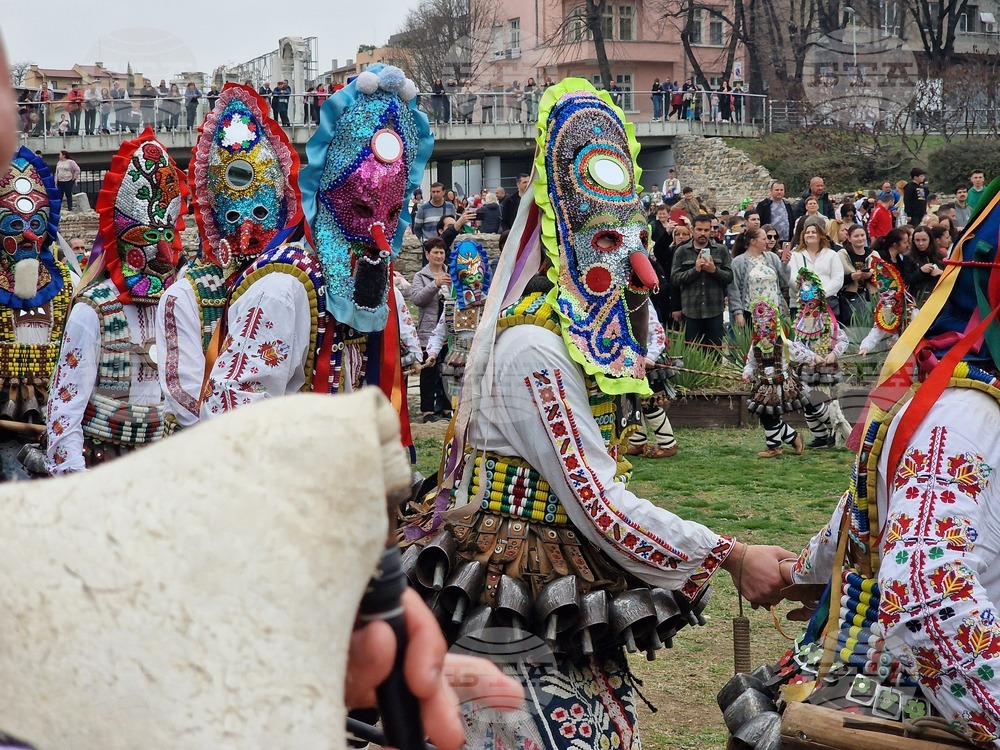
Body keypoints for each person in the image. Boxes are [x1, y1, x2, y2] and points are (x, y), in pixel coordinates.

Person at [403, 78, 794, 750]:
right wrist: (730, 556)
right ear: (566, 242)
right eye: (609, 238)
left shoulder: (557, 338)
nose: (637, 266)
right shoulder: (534, 349)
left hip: (552, 577)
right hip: (518, 595)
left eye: (635, 238)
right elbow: (598, 502)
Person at [200, 65, 434, 441]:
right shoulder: (283, 289)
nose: (379, 238)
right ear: (325, 193)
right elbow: (229, 410)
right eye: (361, 209)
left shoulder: (378, 288)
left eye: (392, 214)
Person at [155, 83, 302, 430]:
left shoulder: (296, 285)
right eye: (234, 217)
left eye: (261, 214)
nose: (247, 233)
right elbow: (185, 395)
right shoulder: (186, 297)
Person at [46, 128, 187, 473]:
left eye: (167, 235)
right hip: (103, 464)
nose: (163, 251)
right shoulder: (92, 310)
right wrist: (75, 480)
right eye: (149, 236)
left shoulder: (177, 305)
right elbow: (65, 408)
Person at [0, 148, 74, 478]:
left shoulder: (66, 284)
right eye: (15, 224)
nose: (28, 235)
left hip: (52, 417)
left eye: (36, 224)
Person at [423, 238, 491, 401]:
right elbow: (438, 334)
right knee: (459, 404)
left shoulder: (491, 306)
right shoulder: (451, 307)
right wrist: (432, 353)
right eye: (469, 279)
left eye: (477, 277)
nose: (475, 284)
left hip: (485, 362)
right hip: (457, 364)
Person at [788, 267, 848, 447]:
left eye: (811, 304)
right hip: (807, 369)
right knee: (807, 403)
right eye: (804, 305)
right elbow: (796, 346)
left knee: (818, 401)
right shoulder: (800, 325)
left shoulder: (829, 324)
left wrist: (833, 354)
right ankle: (821, 436)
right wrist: (810, 357)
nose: (808, 309)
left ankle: (834, 430)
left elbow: (843, 340)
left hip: (825, 370)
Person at [742, 298, 806, 458]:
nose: (763, 329)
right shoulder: (755, 346)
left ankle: (775, 447)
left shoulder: (783, 343)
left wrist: (816, 359)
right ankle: (794, 438)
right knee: (767, 415)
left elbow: (802, 353)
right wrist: (747, 373)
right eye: (759, 326)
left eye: (766, 325)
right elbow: (751, 364)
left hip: (782, 385)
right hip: (765, 386)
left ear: (773, 323)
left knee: (769, 416)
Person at [671, 213, 733, 345]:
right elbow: (675, 279)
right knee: (693, 352)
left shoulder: (720, 250)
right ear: (692, 229)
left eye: (706, 230)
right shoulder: (681, 251)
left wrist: (714, 270)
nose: (703, 233)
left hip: (714, 310)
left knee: (715, 351)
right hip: (691, 311)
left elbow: (729, 277)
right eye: (699, 229)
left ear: (711, 230)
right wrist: (695, 270)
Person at [411, 238, 452, 421]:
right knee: (428, 371)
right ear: (427, 255)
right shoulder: (420, 276)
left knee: (449, 368)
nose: (439, 255)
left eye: (442, 252)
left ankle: (447, 407)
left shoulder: (451, 273)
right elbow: (417, 299)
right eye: (435, 252)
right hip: (428, 330)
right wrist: (435, 284)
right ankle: (427, 410)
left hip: (449, 329)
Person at [728, 226, 789, 326]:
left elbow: (784, 281)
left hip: (774, 312)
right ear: (753, 241)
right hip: (750, 314)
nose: (767, 242)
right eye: (764, 239)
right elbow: (734, 290)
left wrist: (785, 264)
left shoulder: (772, 258)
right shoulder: (738, 262)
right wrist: (738, 313)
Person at [788, 216, 843, 317]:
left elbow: (838, 278)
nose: (810, 234)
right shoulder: (795, 255)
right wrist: (807, 293)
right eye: (807, 232)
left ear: (821, 235)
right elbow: (792, 277)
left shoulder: (832, 254)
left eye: (814, 232)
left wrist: (821, 294)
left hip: (827, 302)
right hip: (800, 304)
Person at [837, 223, 873, 325]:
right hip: (849, 298)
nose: (860, 238)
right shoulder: (842, 255)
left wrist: (871, 276)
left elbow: (881, 277)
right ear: (849, 238)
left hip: (869, 297)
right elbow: (837, 278)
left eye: (862, 235)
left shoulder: (873, 254)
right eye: (856, 236)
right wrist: (851, 277)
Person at [904, 225, 943, 304]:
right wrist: (921, 271)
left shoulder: (939, 256)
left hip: (938, 295)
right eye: (917, 240)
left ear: (930, 240)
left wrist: (941, 273)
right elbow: (907, 280)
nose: (921, 243)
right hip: (918, 297)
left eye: (924, 240)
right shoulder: (909, 257)